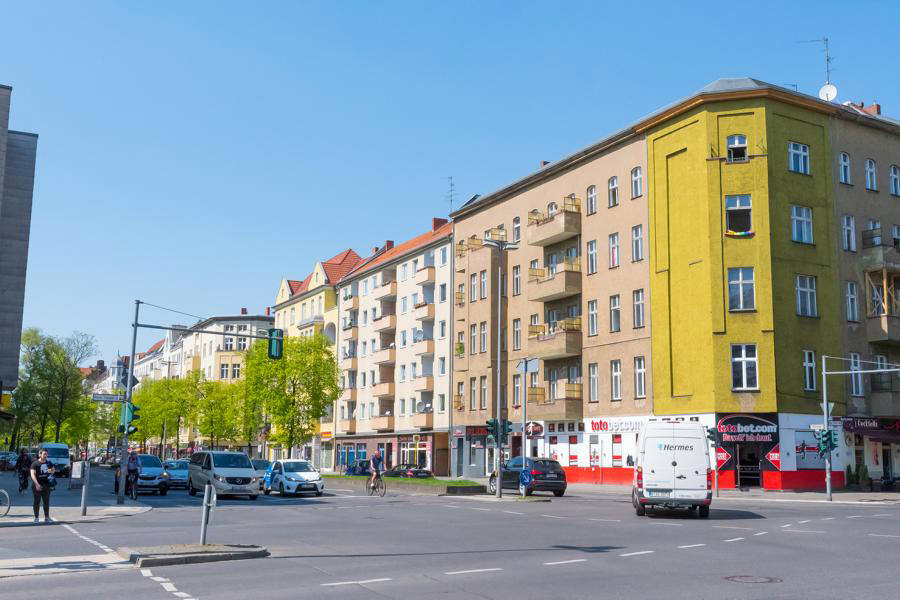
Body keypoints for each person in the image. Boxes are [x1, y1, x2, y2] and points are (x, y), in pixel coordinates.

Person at [30, 449, 55, 524]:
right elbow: (32, 474)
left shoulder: (49, 463)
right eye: (44, 454)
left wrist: (51, 471)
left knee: (46, 502)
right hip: (37, 485)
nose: (45, 456)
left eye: (46, 454)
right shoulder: (35, 464)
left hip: (46, 485)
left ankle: (46, 517)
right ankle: (36, 517)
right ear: (40, 454)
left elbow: (53, 470)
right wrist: (37, 484)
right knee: (37, 502)